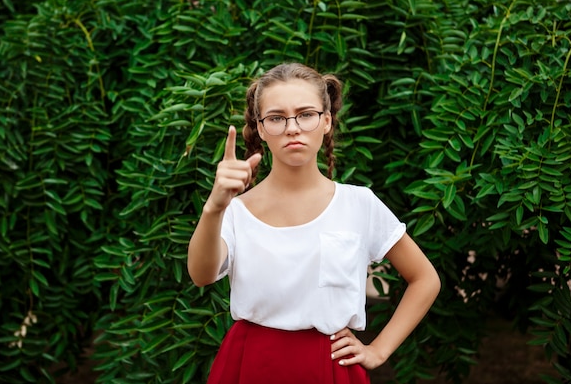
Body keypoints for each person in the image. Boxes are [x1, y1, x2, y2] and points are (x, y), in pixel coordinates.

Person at [187, 63, 440, 384]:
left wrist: (379, 349)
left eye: (305, 114)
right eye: (277, 118)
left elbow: (425, 278)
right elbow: (201, 274)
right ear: (261, 128)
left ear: (326, 121)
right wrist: (214, 206)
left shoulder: (359, 204)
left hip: (330, 366)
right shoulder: (236, 210)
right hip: (249, 363)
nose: (292, 128)